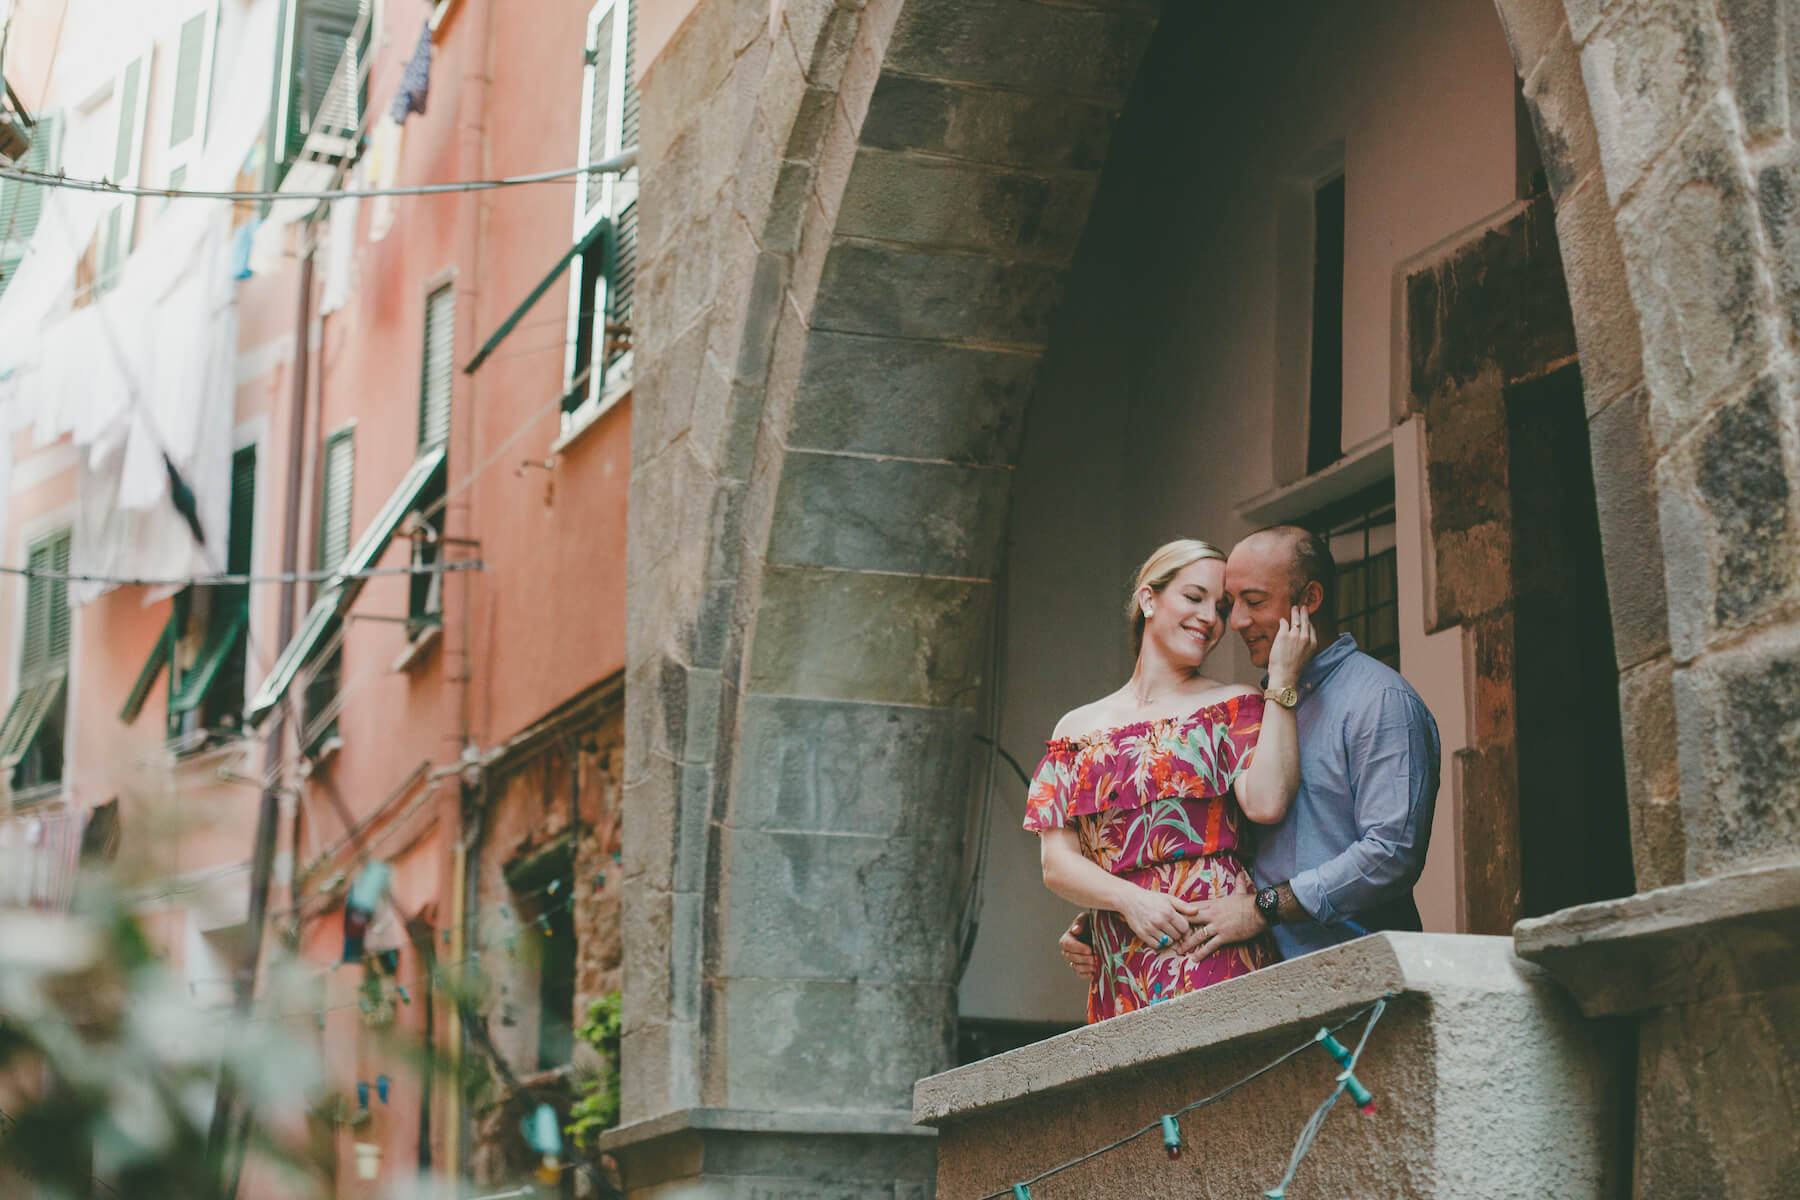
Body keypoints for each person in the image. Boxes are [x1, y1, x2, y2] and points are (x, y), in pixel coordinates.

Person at [1057, 525, 1440, 979]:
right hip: (1258, 974)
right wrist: (1110, 915)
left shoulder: (1380, 701)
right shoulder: (1263, 707)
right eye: (1230, 603)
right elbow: (1217, 844)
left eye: (1251, 602)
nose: (1233, 622)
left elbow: (1390, 854)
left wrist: (1264, 907)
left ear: (1310, 600)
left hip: (1356, 974)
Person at [1026, 538, 1317, 1022]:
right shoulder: (1074, 731)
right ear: (1148, 599)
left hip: (1211, 943)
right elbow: (1057, 863)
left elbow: (1267, 804)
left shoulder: (1233, 705)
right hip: (1120, 957)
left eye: (1221, 608)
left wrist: (1282, 680)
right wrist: (1126, 900)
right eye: (1194, 597)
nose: (1211, 618)